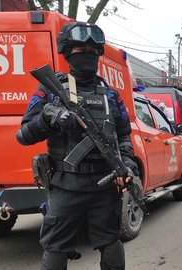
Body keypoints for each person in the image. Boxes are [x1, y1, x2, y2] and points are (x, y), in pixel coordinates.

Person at [16, 22, 137, 270]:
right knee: (56, 250)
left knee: (112, 245)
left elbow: (124, 134)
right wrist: (51, 119)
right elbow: (24, 135)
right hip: (65, 185)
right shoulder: (50, 89)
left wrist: (127, 164)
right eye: (82, 50)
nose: (89, 56)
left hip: (103, 185)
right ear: (68, 53)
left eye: (94, 52)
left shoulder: (110, 95)